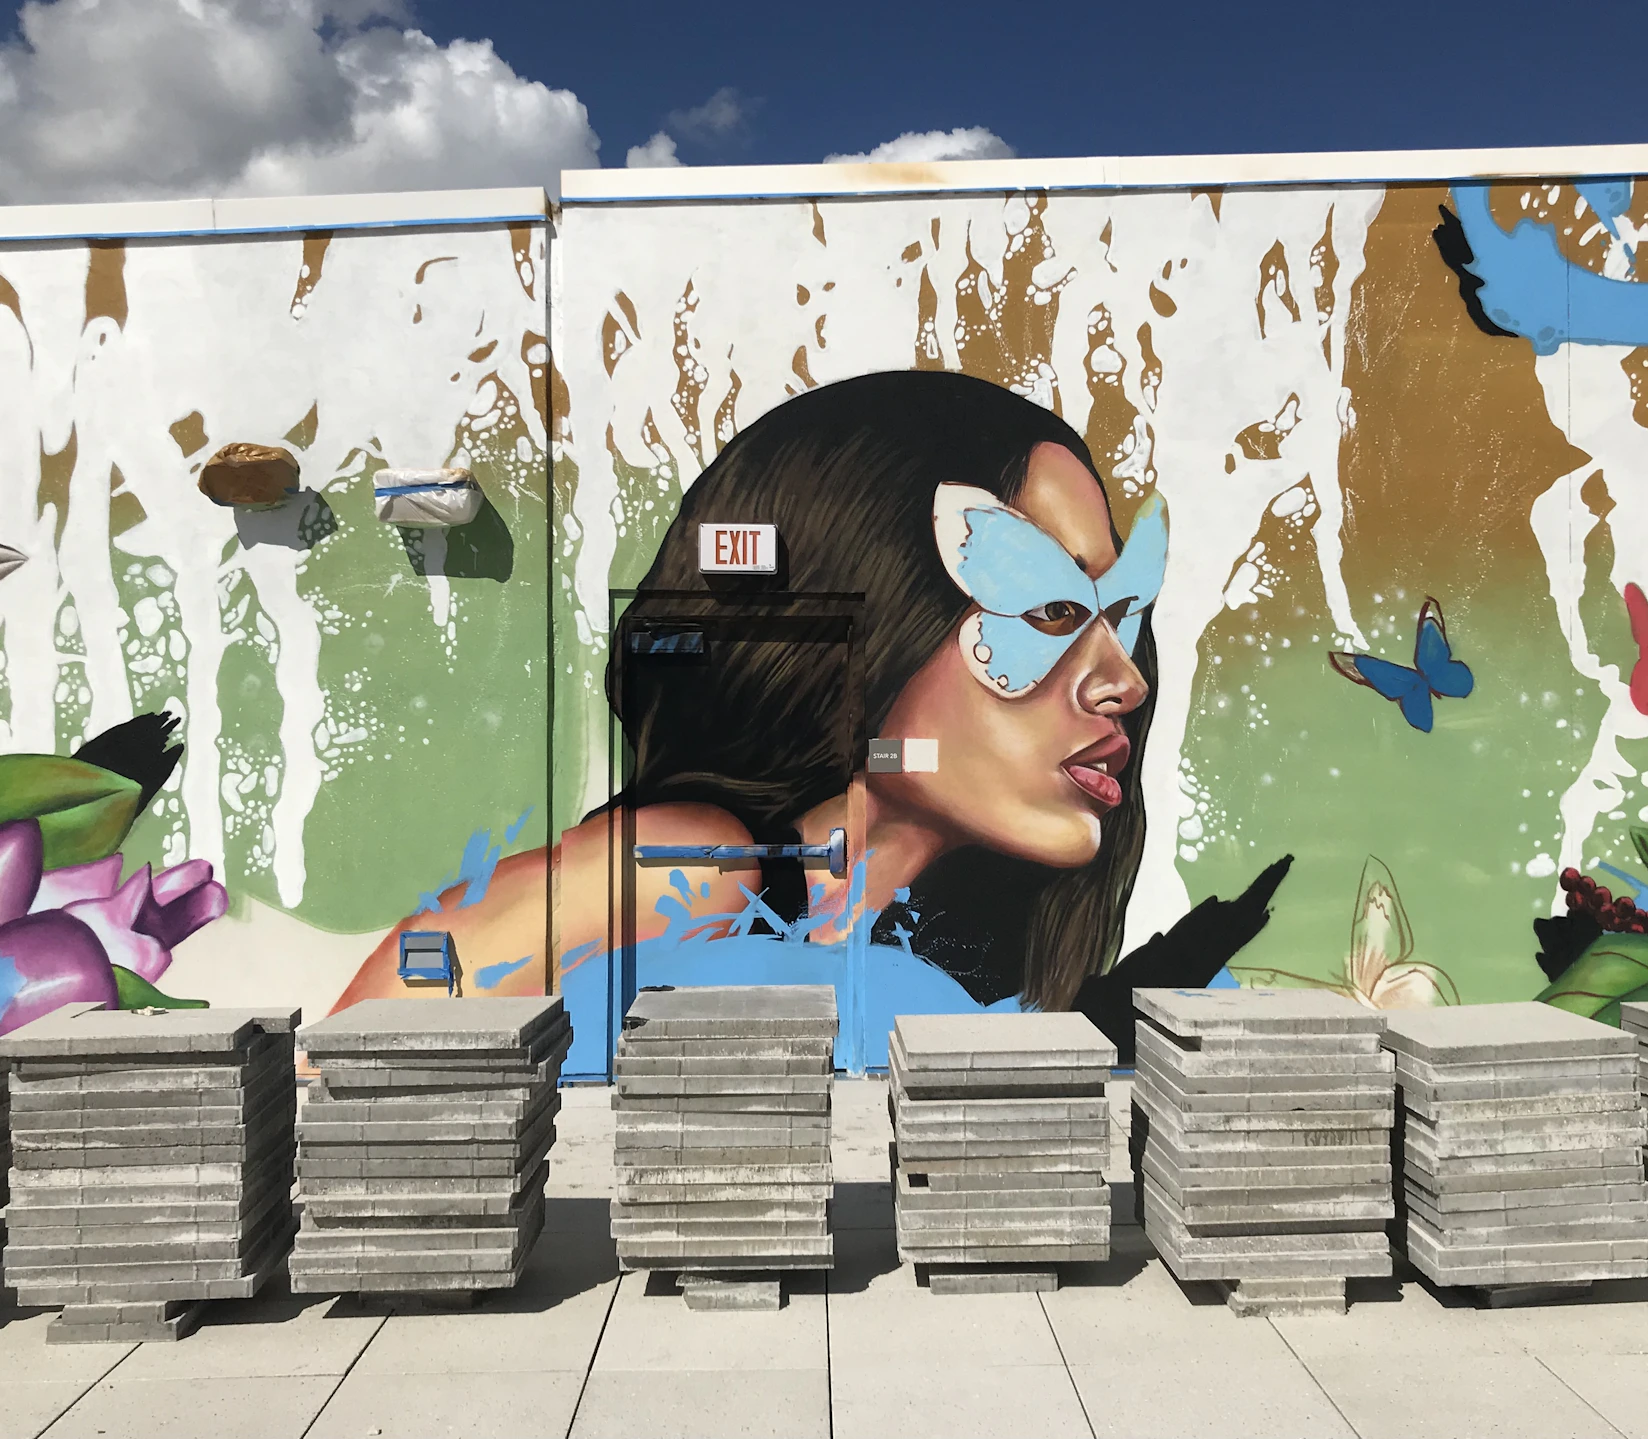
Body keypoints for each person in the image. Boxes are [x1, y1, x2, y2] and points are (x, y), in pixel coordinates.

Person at [334, 370, 1289, 1058]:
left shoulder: (962, 926)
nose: (1124, 681)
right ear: (886, 623)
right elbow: (344, 1059)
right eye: (1047, 610)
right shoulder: (690, 864)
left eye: (1124, 611)